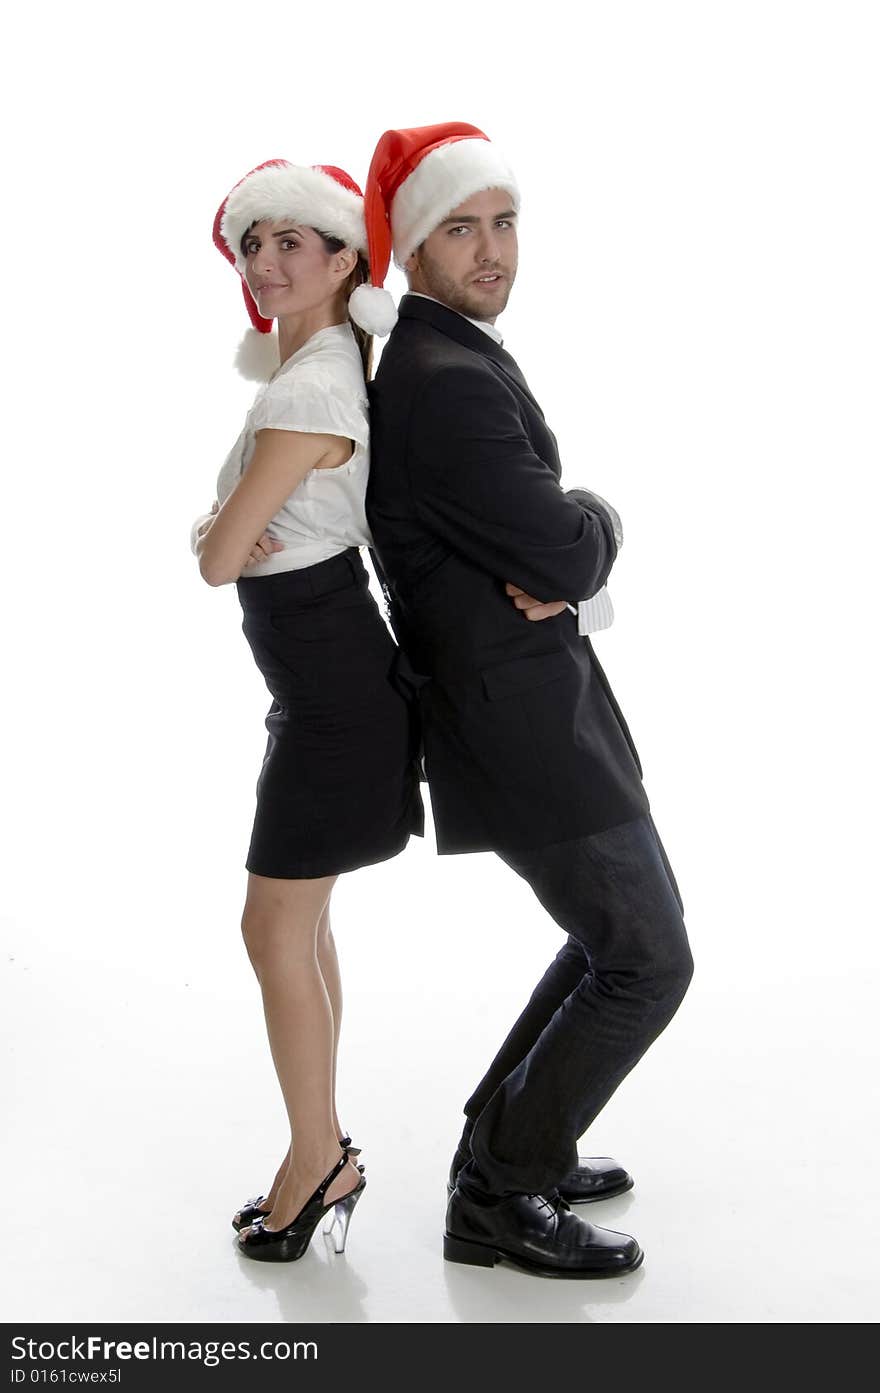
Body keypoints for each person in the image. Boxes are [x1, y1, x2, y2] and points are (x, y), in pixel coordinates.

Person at [358, 123, 694, 1279]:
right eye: (462, 228)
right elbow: (559, 551)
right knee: (647, 958)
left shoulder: (445, 349)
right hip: (516, 720)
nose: (493, 251)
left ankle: (510, 1144)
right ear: (412, 246)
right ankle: (497, 1198)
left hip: (535, 703)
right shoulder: (442, 380)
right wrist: (596, 514)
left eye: (504, 223)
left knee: (613, 938)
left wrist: (564, 555)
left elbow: (545, 563)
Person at [191, 159, 423, 1263]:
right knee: (301, 926)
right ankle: (320, 1146)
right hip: (320, 689)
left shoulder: (313, 388)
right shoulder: (306, 373)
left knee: (271, 927)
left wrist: (220, 533)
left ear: (345, 259)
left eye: (294, 243)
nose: (267, 263)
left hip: (335, 696)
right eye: (252, 245)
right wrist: (224, 530)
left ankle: (314, 1157)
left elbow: (218, 554)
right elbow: (226, 537)